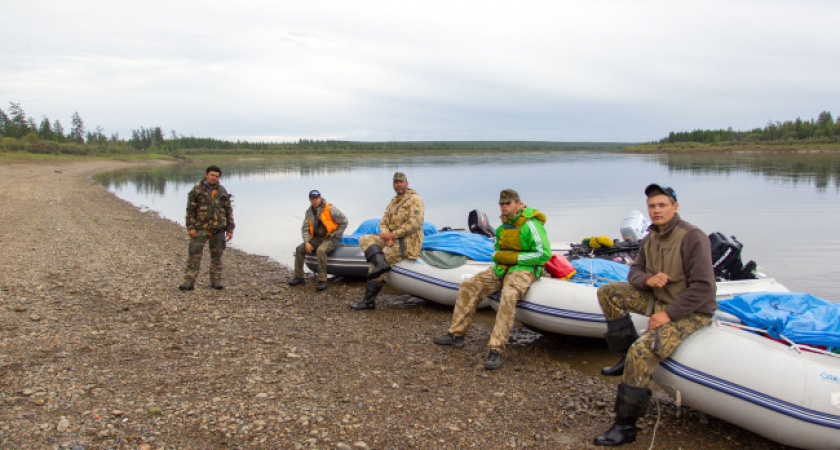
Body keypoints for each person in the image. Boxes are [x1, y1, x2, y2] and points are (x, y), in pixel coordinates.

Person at [593, 184, 716, 446]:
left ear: (675, 207)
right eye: (652, 206)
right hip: (658, 298)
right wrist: (649, 279)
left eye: (662, 205)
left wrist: (669, 314)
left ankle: (625, 426)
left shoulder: (693, 236)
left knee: (643, 350)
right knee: (608, 292)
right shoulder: (650, 237)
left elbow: (705, 288)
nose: (656, 210)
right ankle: (625, 357)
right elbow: (633, 273)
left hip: (690, 311)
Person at [433, 189, 551, 370]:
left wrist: (513, 259)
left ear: (518, 204)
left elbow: (544, 255)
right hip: (502, 268)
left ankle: (496, 349)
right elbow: (498, 251)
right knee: (469, 285)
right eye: (502, 204)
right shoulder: (504, 227)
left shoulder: (531, 225)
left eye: (508, 203)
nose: (504, 207)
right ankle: (456, 334)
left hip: (525, 269)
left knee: (509, 295)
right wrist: (500, 260)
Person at [350, 172, 424, 310]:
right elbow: (384, 221)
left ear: (407, 183)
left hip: (407, 241)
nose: (398, 184)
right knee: (365, 239)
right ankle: (381, 264)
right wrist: (386, 235)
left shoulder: (415, 200)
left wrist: (393, 235)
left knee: (377, 264)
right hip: (391, 237)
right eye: (396, 182)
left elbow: (415, 224)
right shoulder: (393, 201)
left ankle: (368, 301)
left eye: (401, 182)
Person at [179, 165, 235, 291]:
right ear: (206, 175)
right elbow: (190, 210)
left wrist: (230, 229)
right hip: (200, 229)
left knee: (217, 256)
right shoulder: (197, 190)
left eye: (217, 176)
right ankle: (189, 281)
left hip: (218, 229)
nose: (214, 178)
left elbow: (228, 211)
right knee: (194, 255)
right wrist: (190, 227)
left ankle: (216, 281)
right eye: (212, 175)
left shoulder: (222, 191)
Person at [288, 190, 349, 292]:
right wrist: (307, 242)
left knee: (320, 250)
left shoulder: (330, 208)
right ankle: (299, 277)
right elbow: (305, 228)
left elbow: (344, 221)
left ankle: (322, 280)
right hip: (317, 239)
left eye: (316, 198)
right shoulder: (309, 212)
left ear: (320, 198)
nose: (315, 200)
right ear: (310, 200)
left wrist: (336, 234)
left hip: (331, 238)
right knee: (299, 249)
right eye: (312, 199)